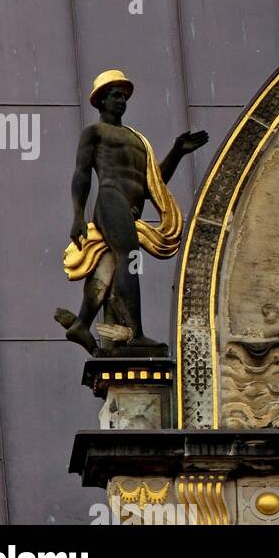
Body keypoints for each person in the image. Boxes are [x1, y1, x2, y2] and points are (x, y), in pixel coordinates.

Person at [54, 70, 207, 355]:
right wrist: (78, 216)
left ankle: (82, 324)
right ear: (100, 101)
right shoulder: (95, 132)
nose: (121, 101)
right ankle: (136, 334)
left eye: (123, 96)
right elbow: (81, 174)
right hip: (111, 200)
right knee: (129, 256)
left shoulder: (138, 140)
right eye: (115, 96)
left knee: (109, 264)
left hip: (130, 210)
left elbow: (154, 185)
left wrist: (176, 152)